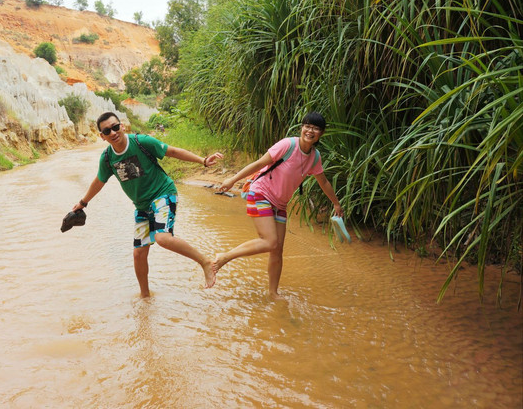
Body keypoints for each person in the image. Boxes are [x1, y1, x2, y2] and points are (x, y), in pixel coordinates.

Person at [73, 112, 224, 298]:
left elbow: (172, 151)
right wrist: (82, 203)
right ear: (102, 136)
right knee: (138, 254)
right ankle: (145, 297)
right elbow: (99, 181)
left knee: (163, 238)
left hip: (163, 193)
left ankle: (205, 262)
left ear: (122, 126)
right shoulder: (107, 159)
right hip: (142, 206)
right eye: (107, 130)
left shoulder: (140, 142)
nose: (113, 132)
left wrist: (202, 161)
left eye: (115, 126)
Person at [214, 112, 344, 299]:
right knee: (269, 241)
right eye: (307, 126)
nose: (310, 130)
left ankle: (273, 293)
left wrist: (337, 204)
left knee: (277, 249)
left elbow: (323, 182)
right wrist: (232, 179)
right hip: (261, 193)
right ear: (302, 127)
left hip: (280, 203)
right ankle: (224, 257)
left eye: (315, 128)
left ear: (321, 134)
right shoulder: (288, 145)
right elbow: (259, 163)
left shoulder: (315, 157)